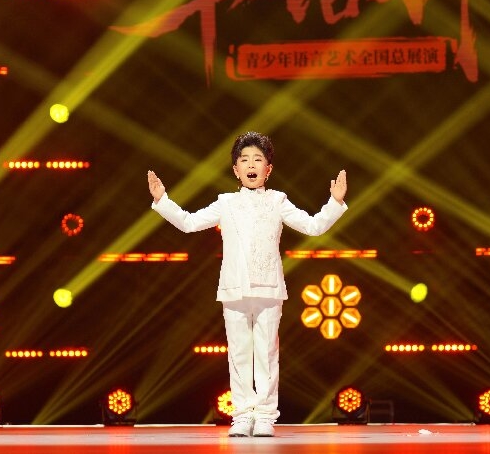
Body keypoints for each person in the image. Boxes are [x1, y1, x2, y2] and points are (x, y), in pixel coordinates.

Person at [147, 131, 347, 438]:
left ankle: (265, 416)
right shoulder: (225, 203)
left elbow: (313, 226)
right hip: (234, 288)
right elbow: (188, 222)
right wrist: (162, 200)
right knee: (239, 354)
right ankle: (242, 415)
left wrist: (335, 202)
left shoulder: (278, 201)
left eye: (257, 159)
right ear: (235, 169)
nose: (251, 165)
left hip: (269, 288)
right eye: (244, 160)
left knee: (266, 353)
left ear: (268, 169)